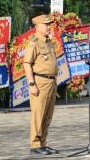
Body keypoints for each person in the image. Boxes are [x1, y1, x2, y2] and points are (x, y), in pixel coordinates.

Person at [23, 14, 58, 155]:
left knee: (48, 115)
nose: (49, 26)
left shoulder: (49, 42)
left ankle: (43, 143)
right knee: (38, 114)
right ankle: (35, 145)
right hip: (40, 82)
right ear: (37, 27)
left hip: (51, 82)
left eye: (50, 24)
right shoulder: (34, 43)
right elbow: (27, 64)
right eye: (46, 24)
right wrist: (32, 84)